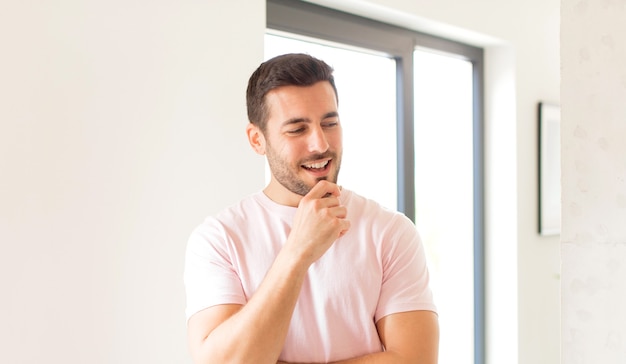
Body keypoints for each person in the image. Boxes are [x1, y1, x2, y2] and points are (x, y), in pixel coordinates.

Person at [184, 53, 439, 364]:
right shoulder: (218, 239)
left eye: (329, 123)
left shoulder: (390, 231)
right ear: (257, 140)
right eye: (297, 129)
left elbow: (415, 360)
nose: (319, 143)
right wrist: (298, 252)